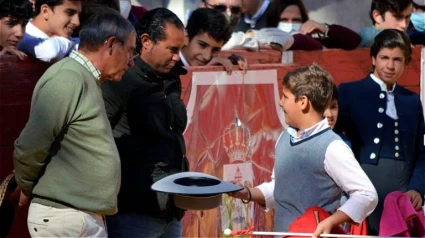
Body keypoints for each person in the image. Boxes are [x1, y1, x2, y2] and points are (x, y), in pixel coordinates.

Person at [13, 11, 136, 237]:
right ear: (110, 45)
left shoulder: (83, 78)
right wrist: (26, 186)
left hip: (79, 216)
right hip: (64, 215)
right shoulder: (67, 77)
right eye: (129, 51)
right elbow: (31, 144)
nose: (131, 62)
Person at [228, 64, 378, 235]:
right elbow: (280, 188)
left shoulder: (333, 147)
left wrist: (331, 221)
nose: (280, 102)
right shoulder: (285, 138)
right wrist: (245, 193)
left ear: (303, 102)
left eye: (285, 97)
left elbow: (366, 194)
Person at [102, 8, 188, 237]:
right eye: (172, 49)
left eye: (180, 50)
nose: (177, 57)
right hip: (133, 210)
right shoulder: (121, 78)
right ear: (146, 42)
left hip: (171, 208)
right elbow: (98, 135)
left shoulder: (171, 76)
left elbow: (174, 130)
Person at [335, 29, 425, 234]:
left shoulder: (411, 101)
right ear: (373, 58)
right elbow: (334, 137)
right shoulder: (350, 92)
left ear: (405, 63)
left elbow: (422, 152)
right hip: (363, 186)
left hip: (403, 190)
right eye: (384, 58)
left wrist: (417, 188)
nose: (390, 66)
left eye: (397, 59)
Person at [264, 0, 361, 50]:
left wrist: (325, 28)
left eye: (296, 20)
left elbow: (355, 40)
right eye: (284, 20)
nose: (290, 24)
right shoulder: (264, 45)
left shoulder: (311, 42)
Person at [180, 8, 248, 73]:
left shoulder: (214, 63)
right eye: (202, 45)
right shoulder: (170, 66)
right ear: (186, 38)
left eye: (215, 50)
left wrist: (232, 63)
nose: (207, 57)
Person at [18, 0, 82, 62]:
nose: (77, 22)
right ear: (45, 11)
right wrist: (70, 43)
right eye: (70, 13)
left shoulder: (62, 36)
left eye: (79, 15)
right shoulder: (21, 37)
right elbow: (49, 52)